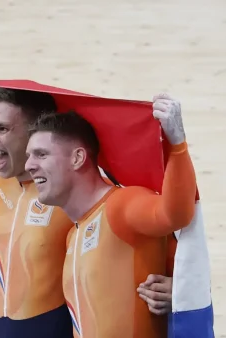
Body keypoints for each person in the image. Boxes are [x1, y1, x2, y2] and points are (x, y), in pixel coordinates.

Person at [0, 7, 177, 337]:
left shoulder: (76, 189)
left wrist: (177, 285)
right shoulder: (1, 171)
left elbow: (155, 229)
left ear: (36, 132)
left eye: (2, 128)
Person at [23, 96, 197, 337]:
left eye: (41, 154)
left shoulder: (120, 206)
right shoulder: (74, 234)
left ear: (77, 158)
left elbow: (174, 215)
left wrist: (177, 145)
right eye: (29, 156)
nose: (29, 165)